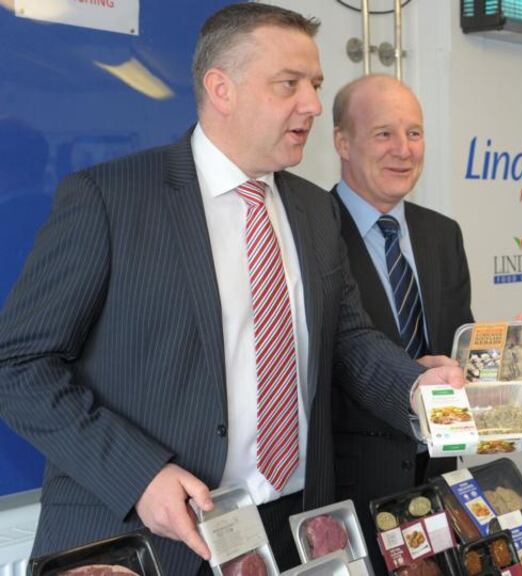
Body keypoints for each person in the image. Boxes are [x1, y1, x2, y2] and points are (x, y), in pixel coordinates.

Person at [0, 5, 461, 574]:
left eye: (314, 85)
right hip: (141, 535)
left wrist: (418, 391)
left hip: (289, 532)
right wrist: (139, 474)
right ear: (222, 88)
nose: (313, 104)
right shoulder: (111, 200)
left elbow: (349, 339)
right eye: (288, 84)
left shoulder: (315, 210)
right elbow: (18, 364)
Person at [329, 74, 473, 575]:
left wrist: (497, 360)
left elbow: (456, 346)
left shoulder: (442, 234)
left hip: (436, 481)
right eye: (383, 134)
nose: (403, 150)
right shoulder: (310, 231)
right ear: (342, 142)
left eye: (414, 133)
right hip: (349, 493)